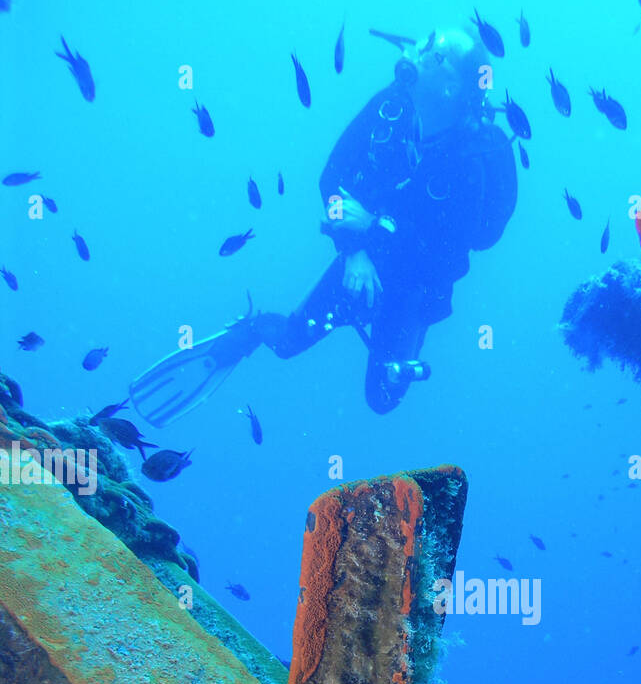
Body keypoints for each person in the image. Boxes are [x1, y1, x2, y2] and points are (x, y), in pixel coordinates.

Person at [130, 28, 517, 422]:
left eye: (435, 53)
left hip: (413, 285)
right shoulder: (391, 108)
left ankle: (399, 361)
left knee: (383, 397)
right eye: (426, 40)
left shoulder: (474, 158)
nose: (418, 49)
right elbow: (331, 178)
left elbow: (455, 251)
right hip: (362, 261)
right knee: (287, 343)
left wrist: (374, 225)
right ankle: (246, 333)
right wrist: (354, 250)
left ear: (451, 88)